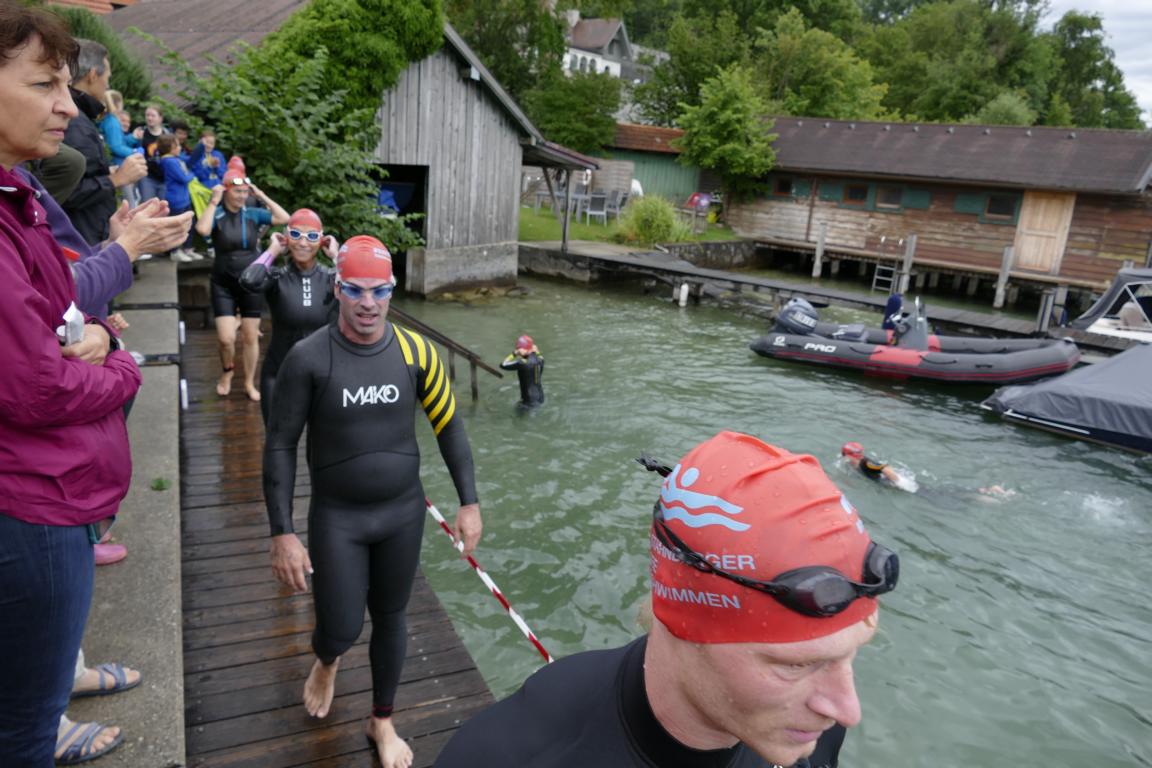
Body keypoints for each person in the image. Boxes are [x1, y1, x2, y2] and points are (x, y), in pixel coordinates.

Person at [436, 431, 899, 768]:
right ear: (687, 622)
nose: (847, 710)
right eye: (795, 665)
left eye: (849, 655)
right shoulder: (508, 754)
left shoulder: (814, 728)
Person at [263, 235, 482, 768]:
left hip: (401, 513)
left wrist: (469, 502)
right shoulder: (308, 358)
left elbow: (449, 428)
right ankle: (328, 660)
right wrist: (282, 532)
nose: (368, 303)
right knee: (340, 628)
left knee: (391, 617)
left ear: (392, 290)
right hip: (338, 517)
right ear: (336, 288)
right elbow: (280, 445)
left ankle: (381, 721)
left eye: (379, 291)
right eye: (356, 290)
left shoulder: (416, 352)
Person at [0, 7, 143, 765]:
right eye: (43, 85)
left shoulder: (15, 197)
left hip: (43, 492)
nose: (67, 105)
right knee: (24, 729)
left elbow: (53, 311)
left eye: (67, 84)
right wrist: (119, 362)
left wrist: (84, 336)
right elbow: (40, 387)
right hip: (32, 501)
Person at [194, 167, 289, 400]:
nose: (242, 196)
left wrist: (261, 195)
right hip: (223, 283)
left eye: (245, 192)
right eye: (237, 191)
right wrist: (213, 200)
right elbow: (202, 229)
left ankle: (248, 382)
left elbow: (284, 218)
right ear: (226, 191)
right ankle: (227, 371)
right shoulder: (217, 214)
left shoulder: (253, 214)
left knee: (250, 336)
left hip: (251, 282)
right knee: (226, 338)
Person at [239, 208, 339, 423]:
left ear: (322, 241)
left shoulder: (332, 279)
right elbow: (248, 280)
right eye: (295, 235)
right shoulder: (276, 277)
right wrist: (273, 250)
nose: (303, 243)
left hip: (321, 377)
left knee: (323, 441)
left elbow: (367, 287)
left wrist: (337, 257)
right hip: (278, 375)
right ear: (286, 237)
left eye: (311, 236)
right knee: (276, 440)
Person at [60, 38, 146, 245]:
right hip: (81, 239)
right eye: (107, 76)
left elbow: (80, 174)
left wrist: (108, 172)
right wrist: (116, 179)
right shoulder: (75, 123)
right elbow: (68, 192)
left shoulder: (79, 118)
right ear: (92, 75)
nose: (108, 84)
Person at [156, 133, 200, 262]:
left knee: (190, 224)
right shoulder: (168, 161)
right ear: (170, 147)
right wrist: (192, 174)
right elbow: (183, 178)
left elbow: (190, 160)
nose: (180, 147)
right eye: (177, 145)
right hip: (176, 200)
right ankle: (174, 251)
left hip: (184, 198)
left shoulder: (175, 158)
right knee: (177, 227)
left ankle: (187, 248)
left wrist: (201, 147)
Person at [499, 333, 545, 406]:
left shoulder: (522, 363)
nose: (518, 351)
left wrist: (514, 354)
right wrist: (537, 351)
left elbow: (503, 365)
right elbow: (539, 355)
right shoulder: (540, 359)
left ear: (522, 349)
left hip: (528, 401)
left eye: (518, 349)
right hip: (541, 398)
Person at [134, 104, 167, 202]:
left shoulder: (166, 134)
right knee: (148, 204)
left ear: (160, 118)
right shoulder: (141, 133)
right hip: (147, 176)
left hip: (164, 177)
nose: (149, 118)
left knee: (163, 205)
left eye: (153, 115)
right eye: (147, 115)